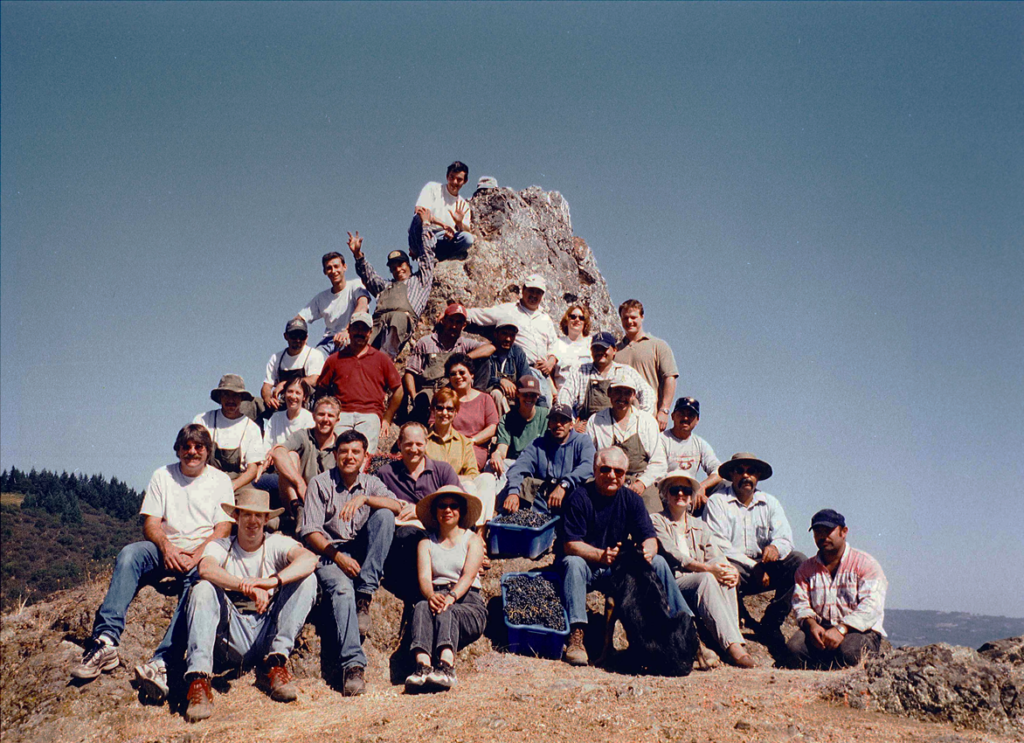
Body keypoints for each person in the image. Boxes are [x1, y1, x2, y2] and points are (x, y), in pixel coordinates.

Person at [71, 424, 233, 704]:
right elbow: (151, 523)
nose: (192, 452)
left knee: (196, 585)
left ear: (207, 451)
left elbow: (223, 529)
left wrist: (196, 553)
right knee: (129, 554)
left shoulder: (220, 481)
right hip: (165, 549)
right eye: (186, 447)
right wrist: (167, 547)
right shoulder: (163, 475)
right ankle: (106, 641)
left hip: (201, 552)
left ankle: (163, 661)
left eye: (198, 447)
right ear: (178, 449)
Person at [180, 488, 318, 722]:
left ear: (267, 519)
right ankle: (199, 680)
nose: (252, 521)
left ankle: (275, 663)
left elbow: (309, 559)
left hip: (267, 628)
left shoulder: (277, 543)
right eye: (246, 514)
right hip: (231, 633)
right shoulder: (222, 545)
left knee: (308, 580)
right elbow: (206, 568)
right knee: (202, 588)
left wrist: (270, 582)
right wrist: (247, 587)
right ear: (236, 517)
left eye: (258, 515)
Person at [559, 448, 693, 666]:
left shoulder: (631, 499)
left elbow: (649, 537)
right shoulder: (579, 497)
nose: (612, 475)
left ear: (626, 474)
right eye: (605, 469)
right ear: (595, 470)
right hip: (589, 565)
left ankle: (687, 630)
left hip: (617, 568)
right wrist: (599, 555)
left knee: (658, 562)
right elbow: (570, 544)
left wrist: (649, 551)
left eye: (618, 472)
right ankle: (577, 635)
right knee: (572, 563)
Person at [300, 430, 401, 696]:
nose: (349, 457)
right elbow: (310, 531)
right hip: (330, 553)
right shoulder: (320, 484)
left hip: (361, 551)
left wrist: (365, 498)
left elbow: (397, 506)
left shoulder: (370, 482)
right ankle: (353, 666)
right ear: (335, 455)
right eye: (343, 451)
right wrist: (338, 557)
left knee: (385, 517)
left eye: (355, 452)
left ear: (365, 456)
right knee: (342, 591)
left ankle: (365, 596)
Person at [651, 471, 754, 669]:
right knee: (707, 577)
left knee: (724, 576)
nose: (680, 494)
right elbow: (674, 555)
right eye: (675, 490)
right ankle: (732, 647)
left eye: (686, 490)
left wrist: (729, 570)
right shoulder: (656, 520)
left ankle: (736, 642)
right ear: (665, 494)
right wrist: (708, 568)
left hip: (700, 580)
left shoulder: (700, 525)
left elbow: (714, 553)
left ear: (691, 496)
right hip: (674, 582)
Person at [703, 453, 807, 647]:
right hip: (737, 568)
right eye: (740, 471)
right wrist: (753, 566)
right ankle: (731, 627)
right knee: (721, 568)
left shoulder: (770, 502)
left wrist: (775, 547)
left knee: (799, 562)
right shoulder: (717, 502)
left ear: (758, 476)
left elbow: (785, 537)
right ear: (731, 475)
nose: (746, 476)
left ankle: (771, 623)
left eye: (751, 471)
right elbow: (716, 542)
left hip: (765, 567)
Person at [404, 485, 487, 692]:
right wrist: (431, 595)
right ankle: (422, 665)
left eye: (453, 506)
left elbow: (468, 576)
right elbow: (424, 577)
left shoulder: (472, 540)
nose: (447, 510)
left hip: (468, 601)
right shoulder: (426, 543)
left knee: (446, 609)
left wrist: (451, 596)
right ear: (435, 511)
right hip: (438, 595)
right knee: (422, 607)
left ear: (461, 511)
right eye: (442, 506)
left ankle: (446, 666)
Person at [787, 509, 888, 669]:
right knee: (794, 649)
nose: (823, 536)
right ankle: (825, 665)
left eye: (828, 531)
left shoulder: (865, 564)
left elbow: (871, 606)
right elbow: (801, 603)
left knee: (849, 651)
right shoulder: (805, 569)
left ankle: (836, 665)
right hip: (822, 629)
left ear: (844, 532)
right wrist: (811, 625)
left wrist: (842, 629)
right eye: (818, 532)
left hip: (859, 630)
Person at [376, 423, 462, 602]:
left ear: (426, 443)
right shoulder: (386, 473)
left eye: (419, 444)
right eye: (408, 444)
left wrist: (420, 511)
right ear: (399, 444)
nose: (413, 449)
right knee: (406, 535)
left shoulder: (442, 470)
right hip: (404, 537)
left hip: (439, 534)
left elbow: (460, 507)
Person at [315, 312, 403, 455]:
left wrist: (387, 418)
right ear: (349, 330)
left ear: (370, 332)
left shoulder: (381, 359)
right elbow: (321, 388)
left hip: (370, 414)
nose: (360, 333)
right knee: (338, 454)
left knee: (364, 455)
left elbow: (398, 389)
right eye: (356, 328)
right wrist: (327, 412)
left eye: (364, 329)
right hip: (341, 414)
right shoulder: (334, 360)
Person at [585, 371, 667, 513]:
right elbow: (588, 459)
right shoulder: (595, 420)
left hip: (640, 484)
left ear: (634, 396)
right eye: (617, 392)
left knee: (653, 524)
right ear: (609, 393)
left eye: (627, 393)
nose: (622, 397)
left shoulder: (647, 421)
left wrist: (642, 483)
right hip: (606, 482)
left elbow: (659, 462)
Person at [466, 274, 560, 397]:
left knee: (549, 407)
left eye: (538, 292)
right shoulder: (509, 310)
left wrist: (551, 362)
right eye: (531, 290)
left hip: (544, 374)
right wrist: (457, 313)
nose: (534, 295)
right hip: (521, 370)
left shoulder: (545, 318)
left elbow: (554, 344)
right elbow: (482, 315)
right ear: (523, 290)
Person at [350, 230, 436, 358]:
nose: (398, 270)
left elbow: (427, 257)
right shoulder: (386, 286)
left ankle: (385, 361)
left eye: (401, 265)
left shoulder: (419, 281)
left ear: (408, 264)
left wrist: (425, 227)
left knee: (398, 318)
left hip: (400, 323)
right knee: (361, 345)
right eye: (393, 268)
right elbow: (369, 276)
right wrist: (357, 254)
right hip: (379, 323)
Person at [403, 302, 490, 424]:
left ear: (464, 325)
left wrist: (464, 358)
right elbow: (410, 373)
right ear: (444, 321)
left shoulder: (464, 344)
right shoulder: (426, 342)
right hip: (429, 390)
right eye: (451, 321)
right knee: (422, 403)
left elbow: (490, 348)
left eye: (458, 322)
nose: (454, 326)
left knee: (485, 361)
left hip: (452, 390)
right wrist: (414, 397)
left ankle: (475, 400)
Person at [501, 403, 595, 514]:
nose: (558, 424)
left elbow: (589, 465)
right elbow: (518, 467)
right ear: (549, 424)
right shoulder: (538, 444)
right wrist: (513, 492)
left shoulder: (582, 441)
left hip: (571, 496)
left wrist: (564, 484)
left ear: (571, 425)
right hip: (544, 498)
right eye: (554, 420)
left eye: (563, 420)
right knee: (517, 485)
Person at [425, 388, 498, 528]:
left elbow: (473, 473)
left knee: (487, 478)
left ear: (455, 413)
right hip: (434, 491)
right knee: (469, 486)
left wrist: (455, 478)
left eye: (449, 409)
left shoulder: (464, 442)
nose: (444, 413)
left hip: (459, 491)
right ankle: (470, 529)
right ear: (433, 410)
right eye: (440, 408)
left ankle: (479, 530)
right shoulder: (423, 440)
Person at [268, 396, 340, 525]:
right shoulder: (303, 435)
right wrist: (300, 483)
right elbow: (278, 452)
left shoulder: (341, 445)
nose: (325, 419)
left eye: (330, 416)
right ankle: (298, 510)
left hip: (326, 501)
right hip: (299, 496)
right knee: (290, 456)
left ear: (337, 420)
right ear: (313, 416)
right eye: (321, 414)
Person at [556, 331, 655, 424]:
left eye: (604, 348)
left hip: (618, 428)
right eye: (596, 348)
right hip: (586, 430)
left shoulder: (625, 371)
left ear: (614, 350)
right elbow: (564, 396)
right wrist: (571, 423)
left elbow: (648, 393)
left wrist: (641, 420)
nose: (600, 352)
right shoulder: (580, 371)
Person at [193, 374, 266, 492]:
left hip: (239, 483)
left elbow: (253, 469)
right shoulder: (203, 420)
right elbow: (194, 455)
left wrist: (233, 486)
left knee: (256, 498)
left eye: (235, 395)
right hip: (206, 479)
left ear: (241, 398)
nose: (230, 400)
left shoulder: (251, 428)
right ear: (220, 397)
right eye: (226, 394)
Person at [616, 299, 679, 431]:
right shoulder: (615, 350)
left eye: (633, 317)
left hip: (649, 415)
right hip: (620, 416)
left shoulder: (658, 345)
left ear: (642, 317)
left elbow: (670, 378)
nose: (629, 322)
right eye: (625, 318)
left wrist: (664, 410)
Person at [296, 250, 371, 354]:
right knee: (312, 358)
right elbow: (299, 319)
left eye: (336, 266)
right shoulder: (321, 298)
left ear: (344, 267)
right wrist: (300, 338)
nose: (333, 271)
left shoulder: (356, 285)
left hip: (350, 336)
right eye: (329, 268)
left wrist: (347, 330)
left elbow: (362, 306)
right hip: (328, 342)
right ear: (325, 272)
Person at [660, 397, 722, 515]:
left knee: (725, 485)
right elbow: (659, 475)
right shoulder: (662, 439)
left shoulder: (699, 443)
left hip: (690, 493)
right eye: (681, 414)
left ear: (697, 420)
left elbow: (719, 471)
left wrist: (701, 487)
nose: (685, 418)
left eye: (690, 415)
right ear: (672, 416)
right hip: (667, 493)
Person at [488, 376, 550, 488]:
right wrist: (496, 454)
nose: (529, 398)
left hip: (538, 464)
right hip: (514, 462)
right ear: (518, 394)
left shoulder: (546, 416)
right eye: (525, 394)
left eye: (533, 395)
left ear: (538, 396)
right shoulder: (508, 419)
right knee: (490, 465)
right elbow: (502, 449)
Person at [443, 353, 499, 473]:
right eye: (453, 374)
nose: (458, 377)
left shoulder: (485, 399)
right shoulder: (444, 399)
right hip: (448, 447)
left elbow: (492, 427)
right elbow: (434, 425)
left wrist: (471, 441)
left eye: (462, 373)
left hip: (474, 449)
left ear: (472, 374)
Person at [409, 161, 475, 261]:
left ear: (465, 181)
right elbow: (420, 210)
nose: (454, 182)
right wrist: (444, 225)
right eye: (452, 177)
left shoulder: (463, 205)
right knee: (418, 218)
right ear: (447, 176)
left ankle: (439, 255)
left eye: (459, 179)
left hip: (441, 239)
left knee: (467, 239)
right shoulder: (433, 188)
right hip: (423, 233)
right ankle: (421, 251)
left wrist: (459, 223)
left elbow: (466, 231)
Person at [260, 318, 326, 413]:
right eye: (294, 336)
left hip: (306, 405)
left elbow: (315, 379)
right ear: (286, 336)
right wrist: (268, 399)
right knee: (255, 405)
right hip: (283, 403)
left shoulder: (314, 354)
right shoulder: (276, 358)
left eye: (301, 336)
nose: (298, 340)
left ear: (306, 337)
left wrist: (286, 384)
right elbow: (266, 385)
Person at [473, 319, 533, 415]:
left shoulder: (517, 352)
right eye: (504, 334)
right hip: (491, 398)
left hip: (513, 397)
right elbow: (482, 381)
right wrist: (500, 381)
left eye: (512, 335)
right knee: (496, 393)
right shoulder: (488, 352)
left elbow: (526, 377)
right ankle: (503, 426)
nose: (508, 339)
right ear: (496, 334)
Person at [262, 378, 314, 452]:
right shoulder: (275, 418)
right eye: (290, 391)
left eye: (298, 393)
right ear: (284, 394)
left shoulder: (309, 419)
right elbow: (267, 445)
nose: (293, 396)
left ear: (304, 397)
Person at [553, 304, 593, 388]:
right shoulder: (557, 343)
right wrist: (554, 392)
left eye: (581, 318)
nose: (577, 320)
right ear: (567, 320)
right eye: (573, 317)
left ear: (585, 323)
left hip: (585, 393)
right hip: (562, 393)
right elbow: (548, 372)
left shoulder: (591, 344)